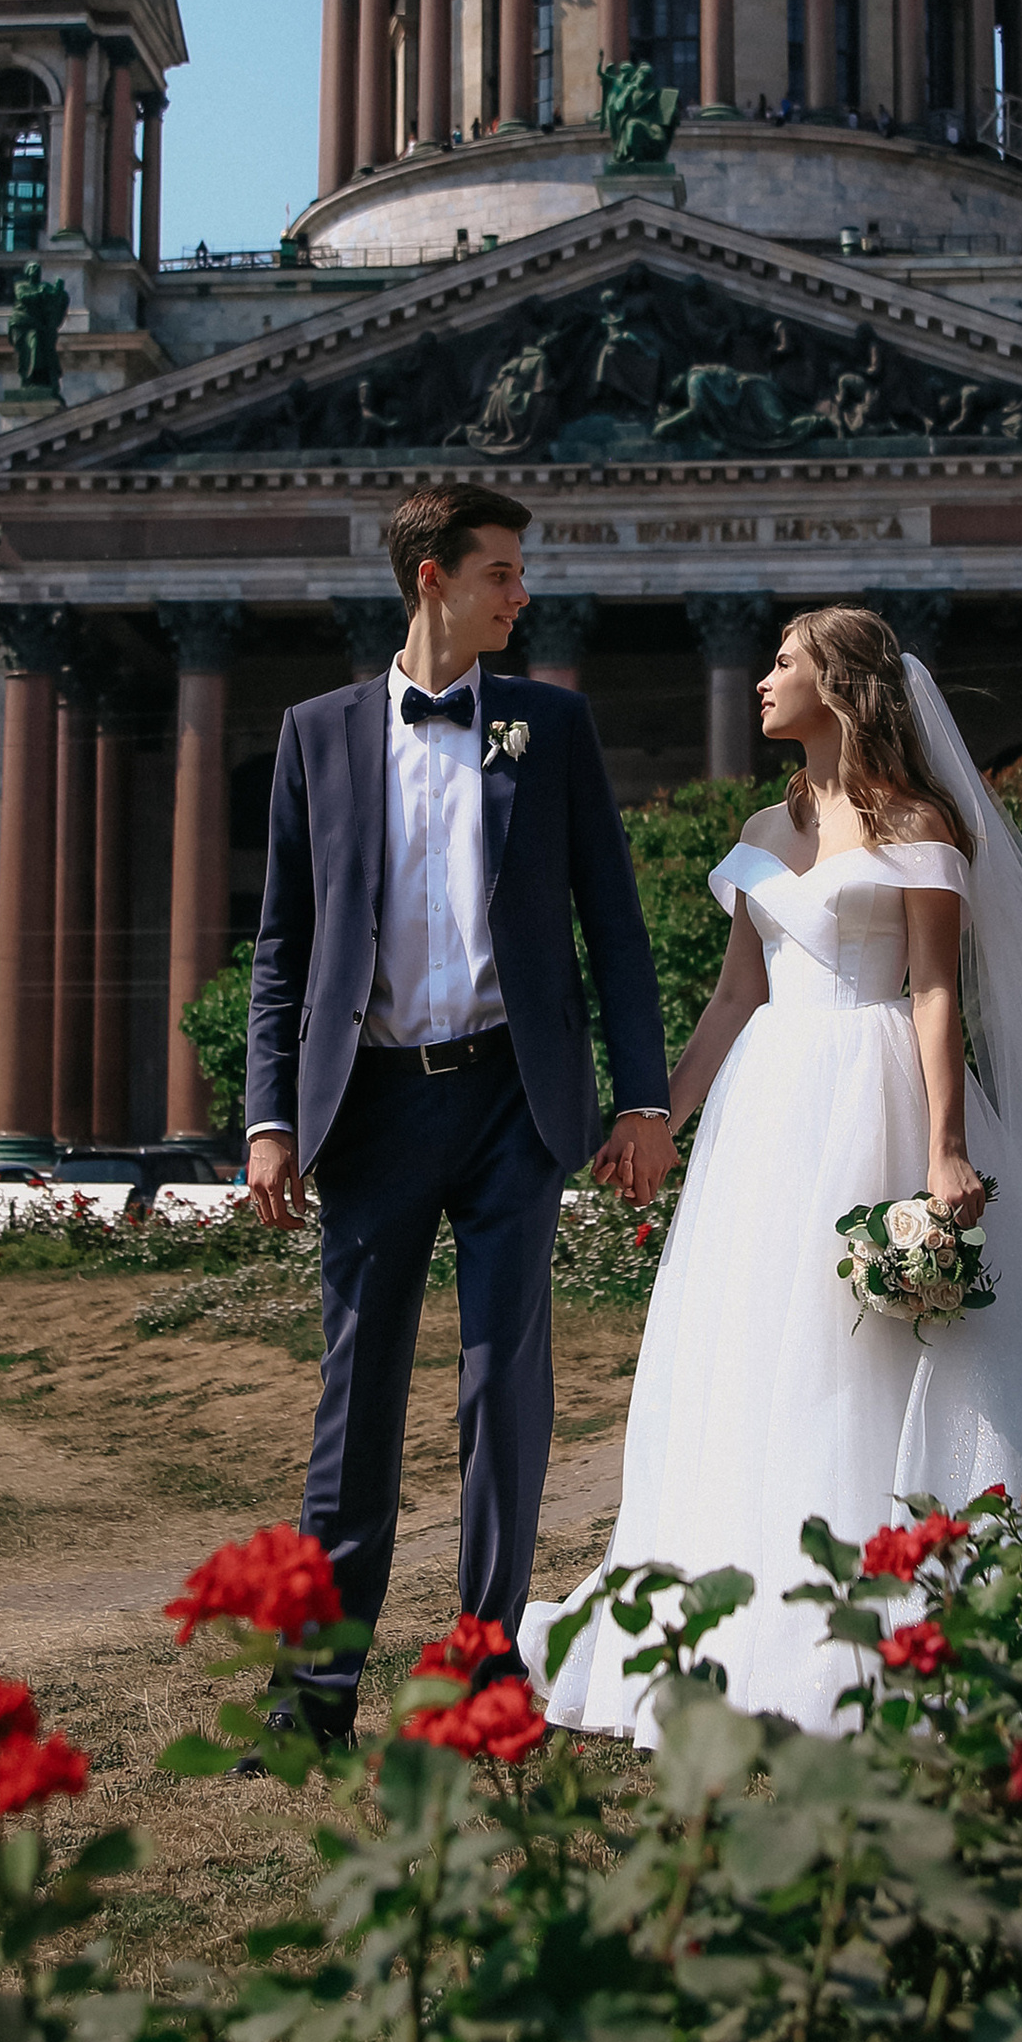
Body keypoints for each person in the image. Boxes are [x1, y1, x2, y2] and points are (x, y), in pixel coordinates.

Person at [524, 606, 1022, 1738]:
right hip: (768, 1103)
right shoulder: (763, 821)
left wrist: (945, 1146)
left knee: (876, 1347)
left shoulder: (918, 822)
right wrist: (657, 1116)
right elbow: (737, 993)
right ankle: (740, 1621)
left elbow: (935, 990)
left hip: (875, 1086)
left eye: (783, 664)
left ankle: (900, 1611)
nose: (761, 682)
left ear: (839, 687)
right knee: (755, 1344)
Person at [246, 485, 672, 1745]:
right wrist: (271, 1117)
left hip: (509, 1102)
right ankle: (318, 1687)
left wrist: (642, 1098)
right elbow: (281, 946)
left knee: (503, 1393)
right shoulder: (314, 735)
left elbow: (615, 928)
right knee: (355, 1398)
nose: (520, 593)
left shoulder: (549, 728)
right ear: (431, 578)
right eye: (499, 574)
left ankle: (484, 1672)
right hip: (369, 1110)